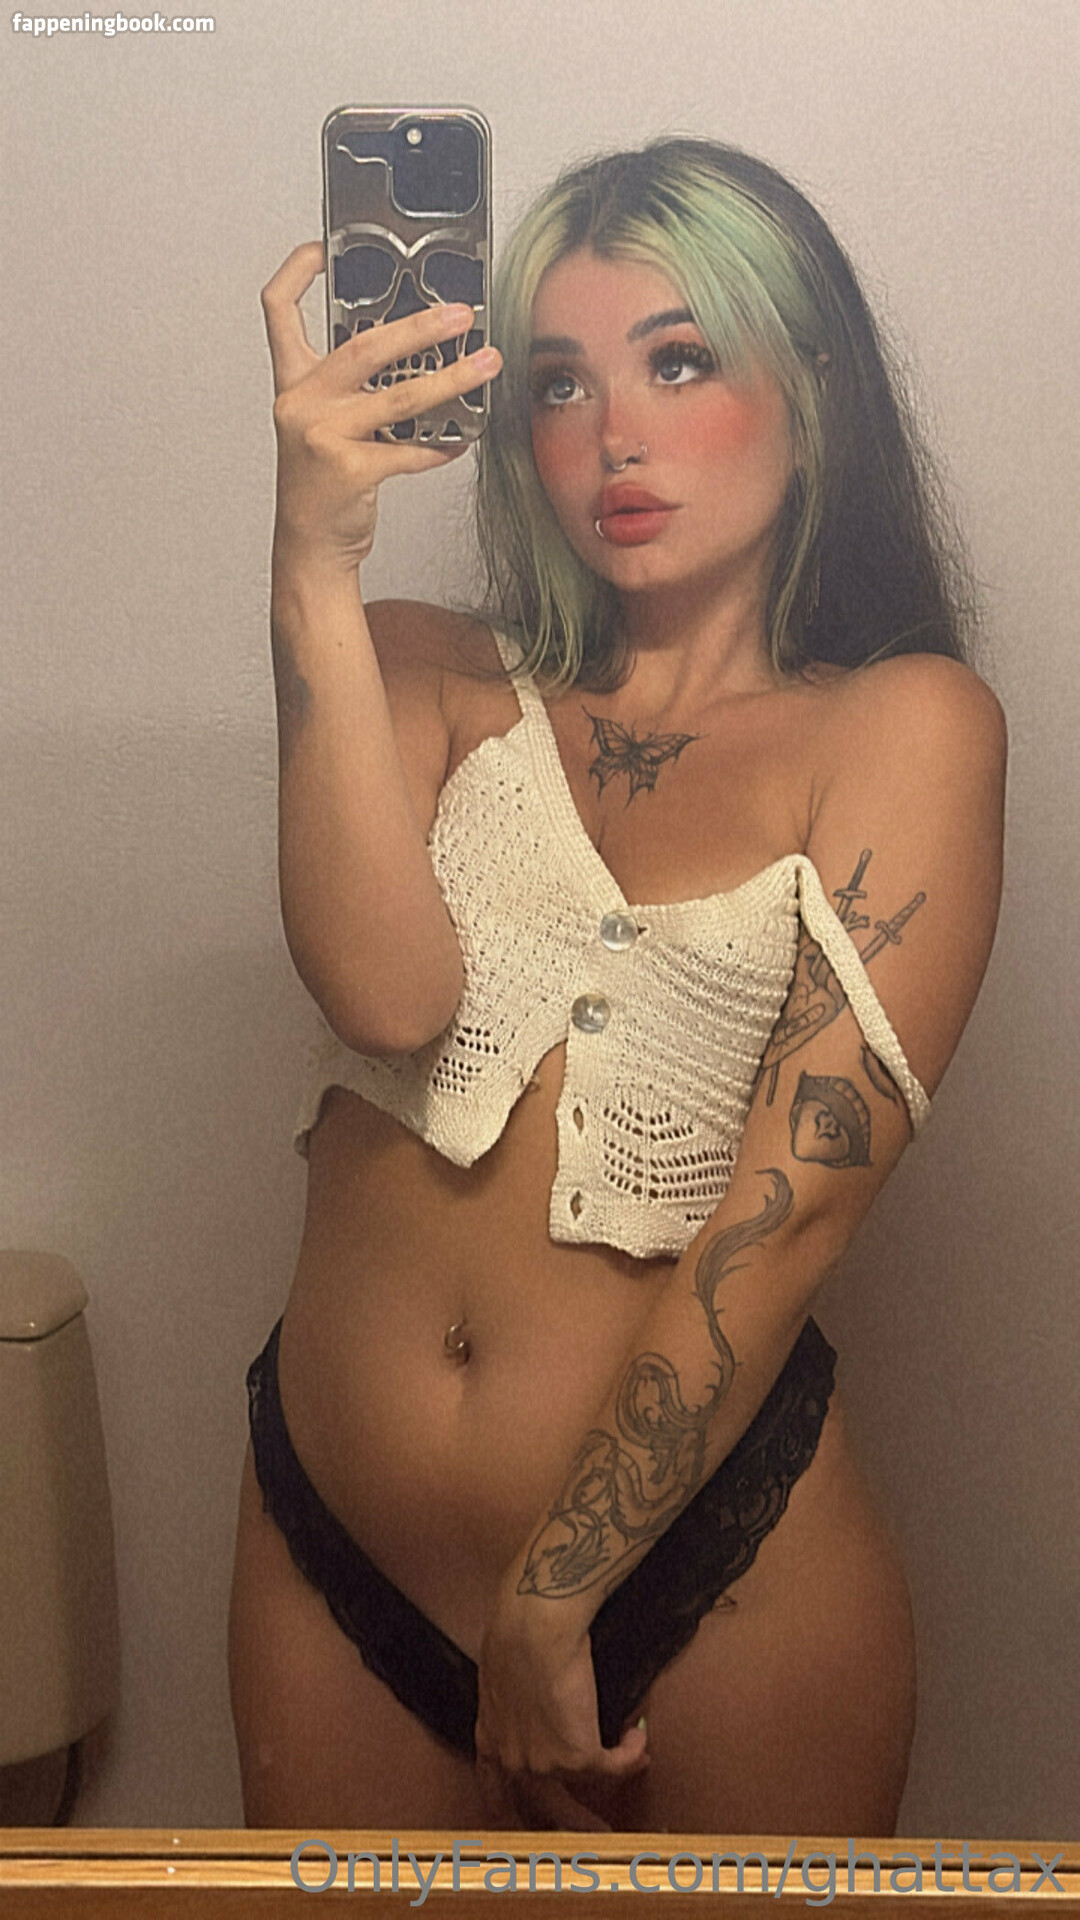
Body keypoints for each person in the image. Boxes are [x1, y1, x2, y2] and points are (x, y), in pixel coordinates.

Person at [228, 137, 1006, 1836]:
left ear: (809, 387)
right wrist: (311, 564)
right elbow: (383, 993)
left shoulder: (904, 725)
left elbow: (791, 1218)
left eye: (679, 360)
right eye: (561, 384)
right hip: (331, 1547)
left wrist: (553, 1596)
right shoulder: (419, 663)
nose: (614, 438)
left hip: (704, 1587)